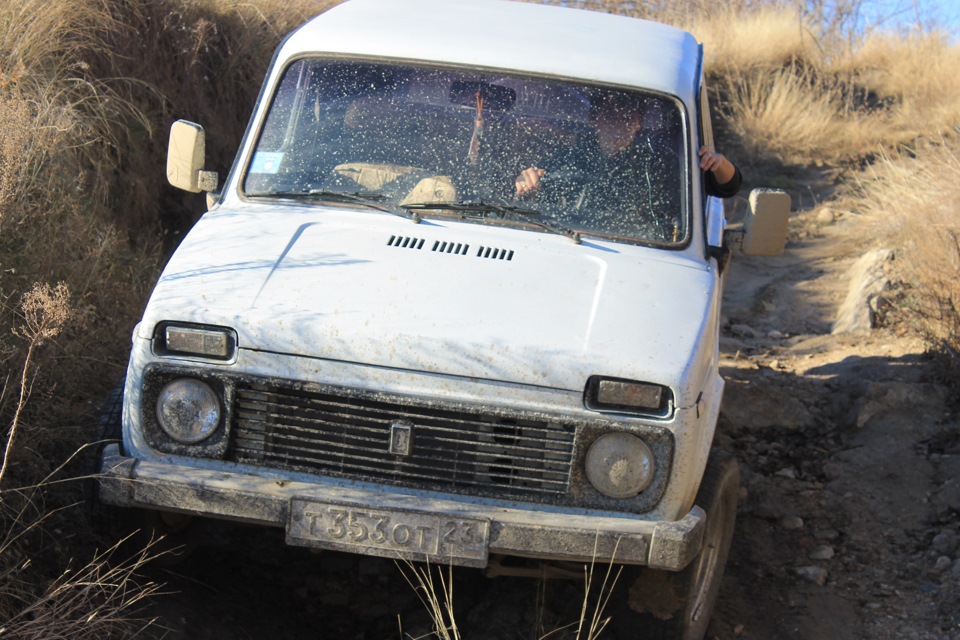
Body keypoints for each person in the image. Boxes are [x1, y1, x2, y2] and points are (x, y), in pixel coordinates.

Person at [514, 93, 742, 203]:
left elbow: (727, 188)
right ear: (594, 117)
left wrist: (718, 164)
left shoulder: (659, 158)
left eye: (627, 112)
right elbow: (542, 200)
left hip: (645, 245)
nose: (619, 119)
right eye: (610, 112)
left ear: (639, 121)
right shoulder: (570, 155)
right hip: (577, 237)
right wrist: (528, 185)